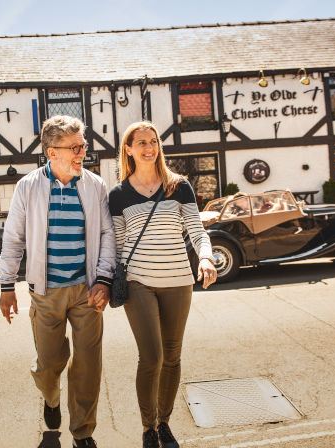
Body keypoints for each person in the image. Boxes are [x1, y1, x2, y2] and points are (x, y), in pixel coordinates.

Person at [0, 115, 116, 448]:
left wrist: (104, 279)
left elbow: (107, 233)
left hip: (86, 290)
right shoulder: (28, 186)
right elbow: (13, 239)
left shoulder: (95, 185)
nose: (83, 152)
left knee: (88, 364)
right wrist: (7, 286)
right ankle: (51, 398)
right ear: (52, 153)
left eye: (84, 145)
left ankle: (83, 431)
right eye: (75, 147)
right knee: (49, 364)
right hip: (45, 292)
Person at [108, 121, 217, 448]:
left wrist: (207, 257)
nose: (148, 147)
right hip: (139, 282)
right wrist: (104, 280)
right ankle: (148, 428)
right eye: (140, 142)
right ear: (128, 149)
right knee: (152, 356)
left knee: (172, 356)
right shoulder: (118, 194)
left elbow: (196, 230)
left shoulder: (178, 186)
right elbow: (117, 243)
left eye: (152, 141)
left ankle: (164, 422)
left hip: (179, 281)